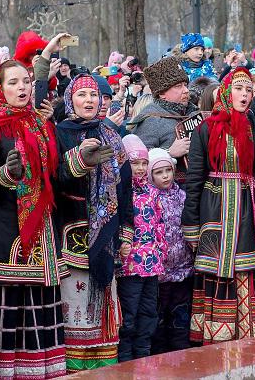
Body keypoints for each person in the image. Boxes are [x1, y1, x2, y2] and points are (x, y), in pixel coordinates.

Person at [0, 60, 107, 379]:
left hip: (41, 236)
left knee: (36, 314)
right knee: (3, 315)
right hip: (2, 237)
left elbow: (51, 174)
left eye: (26, 81)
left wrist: (80, 159)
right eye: (13, 82)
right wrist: (6, 174)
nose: (23, 88)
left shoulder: (40, 125)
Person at [182, 68, 255, 343]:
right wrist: (191, 223)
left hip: (250, 205)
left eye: (249, 90)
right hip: (216, 207)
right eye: (240, 90)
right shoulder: (205, 129)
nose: (245, 95)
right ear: (227, 93)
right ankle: (223, 337)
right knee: (221, 268)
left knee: (252, 267)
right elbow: (194, 178)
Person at [54, 74, 130, 371]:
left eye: (94, 95)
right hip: (70, 230)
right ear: (70, 98)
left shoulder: (113, 135)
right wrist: (80, 161)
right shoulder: (59, 133)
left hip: (107, 235)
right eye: (82, 94)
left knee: (103, 318)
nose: (89, 100)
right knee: (75, 309)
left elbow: (125, 190)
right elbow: (54, 177)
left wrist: (126, 233)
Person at [116, 148, 169, 361]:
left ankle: (143, 357)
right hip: (129, 265)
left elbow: (159, 225)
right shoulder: (120, 190)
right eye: (134, 163)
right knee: (129, 316)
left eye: (143, 163)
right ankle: (126, 360)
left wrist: (161, 252)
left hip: (151, 264)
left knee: (149, 314)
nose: (140, 168)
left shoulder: (152, 191)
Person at [149, 150, 194, 354]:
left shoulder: (183, 196)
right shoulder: (148, 199)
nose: (165, 176)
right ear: (150, 175)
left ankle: (182, 358)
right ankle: (159, 360)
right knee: (158, 319)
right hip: (158, 274)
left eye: (168, 170)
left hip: (183, 270)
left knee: (180, 317)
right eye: (159, 172)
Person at [127, 57, 198, 180]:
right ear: (162, 93)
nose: (186, 91)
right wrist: (168, 152)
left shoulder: (195, 114)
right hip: (165, 191)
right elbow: (137, 161)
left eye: (185, 85)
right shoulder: (151, 119)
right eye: (178, 86)